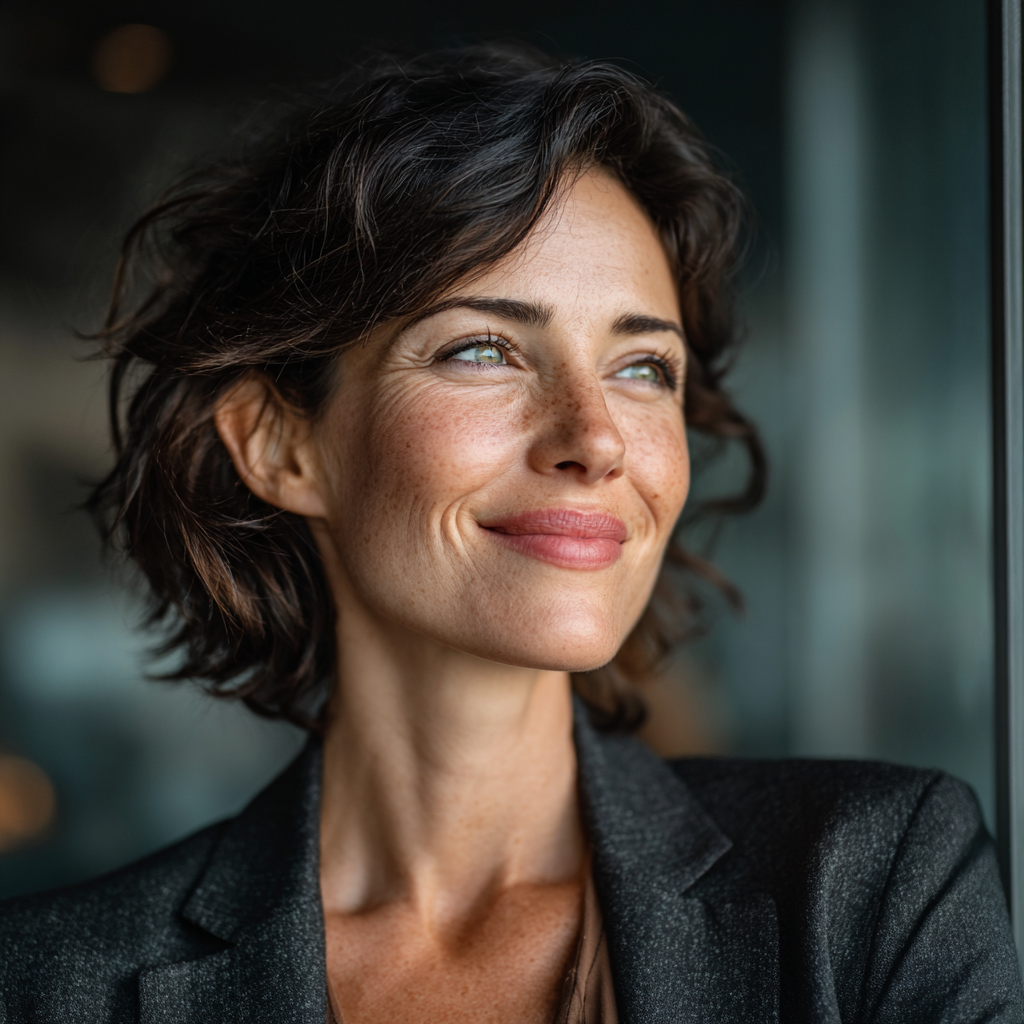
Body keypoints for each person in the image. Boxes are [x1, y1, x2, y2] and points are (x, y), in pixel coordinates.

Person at [1, 43, 1021, 1024]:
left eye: (641, 367)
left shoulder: (869, 889)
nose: (593, 439)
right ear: (280, 443)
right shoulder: (50, 983)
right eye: (484, 348)